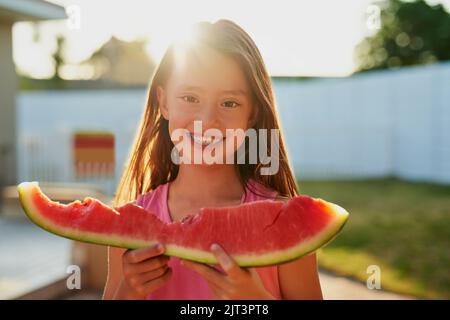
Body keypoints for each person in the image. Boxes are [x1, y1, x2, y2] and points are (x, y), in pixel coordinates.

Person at [103, 19, 323, 300]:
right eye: (189, 97)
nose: (206, 122)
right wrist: (127, 294)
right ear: (164, 102)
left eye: (229, 103)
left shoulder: (287, 226)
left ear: (252, 114)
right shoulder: (128, 226)